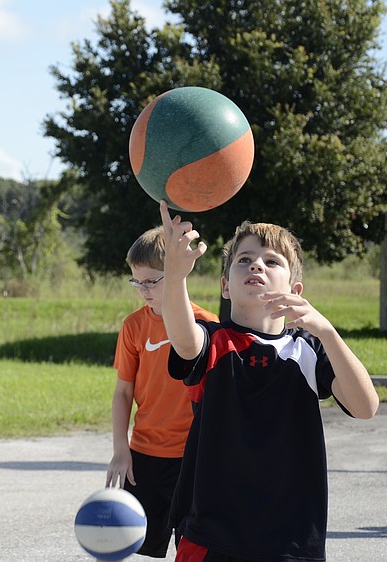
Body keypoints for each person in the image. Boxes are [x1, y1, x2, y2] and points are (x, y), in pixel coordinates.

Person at [158, 200, 379, 561]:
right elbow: (183, 339)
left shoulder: (307, 351)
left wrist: (326, 331)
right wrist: (176, 274)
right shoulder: (215, 342)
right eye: (243, 260)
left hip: (291, 540)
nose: (256, 264)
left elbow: (366, 407)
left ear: (295, 289)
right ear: (225, 286)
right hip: (212, 536)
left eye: (272, 261)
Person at [106, 225, 220, 558]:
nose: (143, 290)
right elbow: (123, 392)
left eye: (151, 281)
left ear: (175, 271)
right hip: (144, 456)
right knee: (138, 546)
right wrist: (120, 449)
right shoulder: (133, 326)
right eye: (136, 281)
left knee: (193, 547)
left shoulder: (204, 323)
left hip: (193, 457)